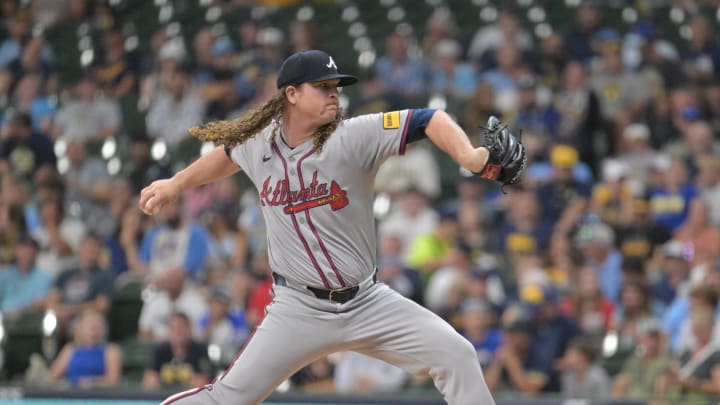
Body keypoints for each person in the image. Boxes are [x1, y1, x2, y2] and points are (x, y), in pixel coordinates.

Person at [140, 49, 525, 405]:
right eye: (322, 87)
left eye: (335, 87)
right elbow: (225, 157)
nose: (333, 94)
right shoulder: (260, 144)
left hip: (367, 301)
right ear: (291, 94)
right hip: (298, 308)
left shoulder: (353, 136)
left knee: (456, 354)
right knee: (226, 399)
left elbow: (428, 119)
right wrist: (177, 184)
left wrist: (469, 156)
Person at [48, 308, 121, 389]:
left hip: (100, 395)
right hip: (72, 394)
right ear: (79, 328)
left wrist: (91, 383)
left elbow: (113, 381)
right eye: (90, 325)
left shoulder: (111, 350)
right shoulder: (70, 349)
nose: (95, 330)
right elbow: (52, 378)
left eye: (98, 325)